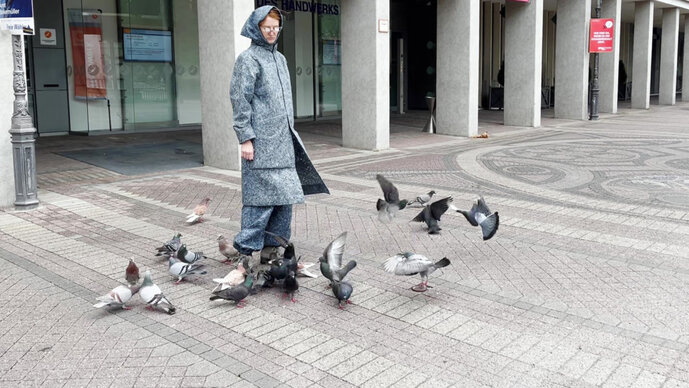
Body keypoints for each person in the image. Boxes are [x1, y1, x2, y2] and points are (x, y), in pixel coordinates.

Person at [228, 6, 329, 265]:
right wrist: (245, 138)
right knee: (259, 202)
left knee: (284, 199)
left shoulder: (280, 59)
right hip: (260, 144)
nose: (272, 32)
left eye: (275, 27)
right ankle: (245, 251)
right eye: (266, 27)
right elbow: (240, 100)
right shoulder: (248, 59)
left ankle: (273, 248)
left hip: (283, 142)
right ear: (256, 28)